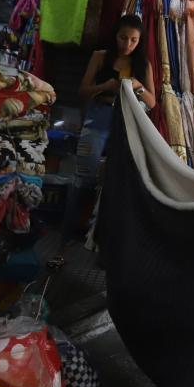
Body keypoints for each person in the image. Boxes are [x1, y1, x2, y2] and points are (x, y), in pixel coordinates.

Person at [62, 15, 156, 241]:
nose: (127, 45)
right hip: (98, 116)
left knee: (117, 181)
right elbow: (82, 92)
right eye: (123, 38)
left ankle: (101, 238)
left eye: (133, 40)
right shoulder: (100, 57)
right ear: (115, 35)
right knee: (83, 178)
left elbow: (152, 102)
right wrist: (105, 86)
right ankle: (68, 235)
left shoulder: (143, 64)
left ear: (140, 40)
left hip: (126, 121)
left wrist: (138, 86)